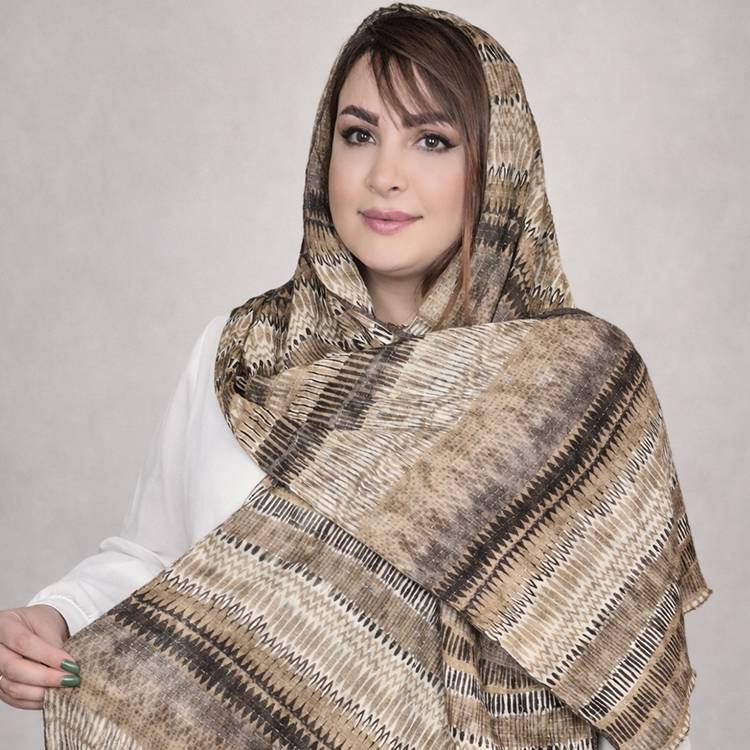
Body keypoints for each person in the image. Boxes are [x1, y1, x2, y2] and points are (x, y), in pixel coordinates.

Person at [1, 4, 708, 748]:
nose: (384, 176)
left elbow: (617, 672)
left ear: (497, 168)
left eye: (432, 140)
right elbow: (153, 558)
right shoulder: (240, 357)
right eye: (359, 134)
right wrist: (59, 614)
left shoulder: (576, 387)